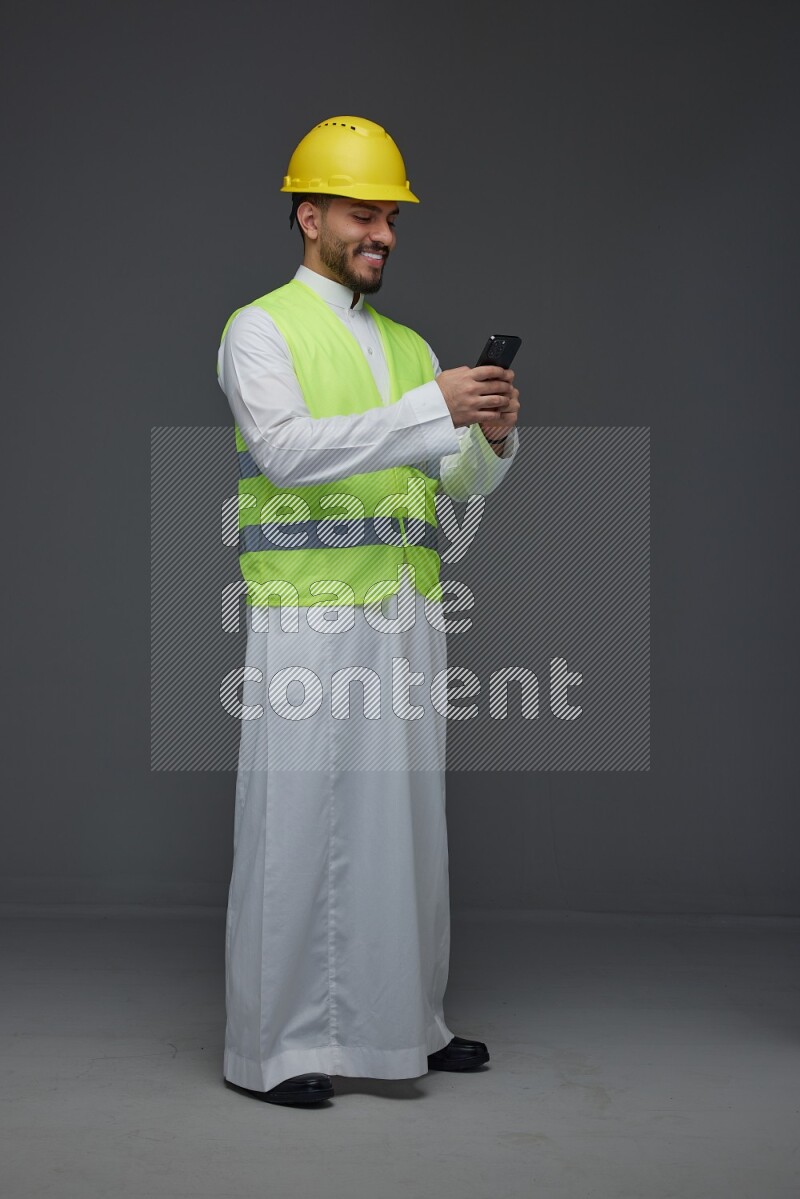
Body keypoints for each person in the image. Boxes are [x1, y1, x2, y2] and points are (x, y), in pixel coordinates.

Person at [217, 115, 520, 1106]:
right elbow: (288, 453)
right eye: (361, 213)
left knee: (405, 829)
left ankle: (404, 1027)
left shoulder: (407, 345)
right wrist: (430, 403)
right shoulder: (260, 328)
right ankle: (274, 1049)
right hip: (306, 615)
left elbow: (457, 478)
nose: (381, 233)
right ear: (308, 215)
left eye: (390, 217)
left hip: (402, 614)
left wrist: (486, 428)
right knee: (297, 822)